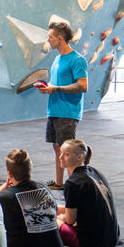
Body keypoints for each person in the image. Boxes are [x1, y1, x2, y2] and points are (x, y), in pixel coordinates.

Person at [36, 21, 88, 190]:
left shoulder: (77, 60)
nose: (48, 40)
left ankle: (73, 185)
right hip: (54, 109)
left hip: (68, 112)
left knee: (69, 152)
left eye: (50, 37)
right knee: (58, 149)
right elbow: (56, 82)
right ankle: (59, 182)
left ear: (60, 38)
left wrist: (56, 88)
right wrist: (48, 87)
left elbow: (82, 86)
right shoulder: (58, 59)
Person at [0, 149, 63, 247]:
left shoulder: (5, 197)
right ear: (30, 169)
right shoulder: (44, 188)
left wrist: (1, 189)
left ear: (9, 174)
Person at [57, 139, 120, 247]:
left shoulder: (73, 183)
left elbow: (70, 220)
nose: (60, 157)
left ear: (79, 157)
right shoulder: (95, 172)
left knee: (49, 220)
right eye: (61, 153)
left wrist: (60, 216)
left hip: (93, 242)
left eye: (66, 154)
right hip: (113, 236)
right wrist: (56, 208)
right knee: (55, 210)